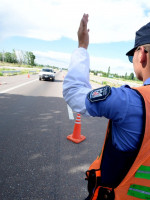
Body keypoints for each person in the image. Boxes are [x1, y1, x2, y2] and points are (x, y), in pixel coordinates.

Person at [63, 14, 150, 200]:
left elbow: (73, 91)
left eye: (132, 56)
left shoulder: (128, 100)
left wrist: (82, 47)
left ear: (141, 53)